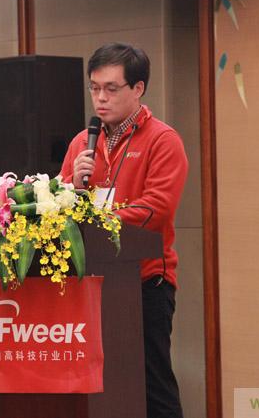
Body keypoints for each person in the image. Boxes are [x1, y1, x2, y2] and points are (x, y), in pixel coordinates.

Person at [60, 42, 188, 418]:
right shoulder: (81, 143)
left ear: (138, 88)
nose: (101, 98)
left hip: (145, 284)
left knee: (153, 388)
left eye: (111, 88)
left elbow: (157, 209)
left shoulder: (163, 140)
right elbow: (59, 208)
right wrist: (72, 186)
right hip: (90, 285)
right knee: (100, 390)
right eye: (95, 88)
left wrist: (100, 224)